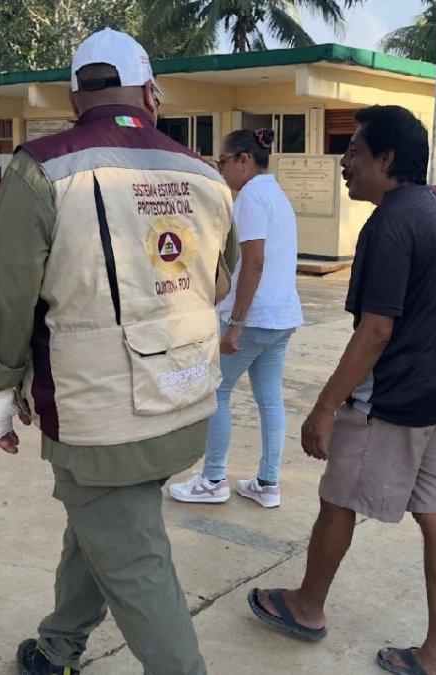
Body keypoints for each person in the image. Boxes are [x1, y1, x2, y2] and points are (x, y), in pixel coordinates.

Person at [0, 28, 237, 675]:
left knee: (138, 562)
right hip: (182, 395)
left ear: (71, 97)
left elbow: (10, 293)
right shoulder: (201, 171)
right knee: (100, 524)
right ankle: (59, 645)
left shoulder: (42, 166)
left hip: (98, 414)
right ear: (151, 93)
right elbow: (219, 279)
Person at [246, 106, 436, 675]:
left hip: (392, 402)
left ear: (387, 159)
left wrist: (324, 408)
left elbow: (375, 331)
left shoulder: (390, 223)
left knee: (337, 499)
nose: (345, 164)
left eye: (354, 151)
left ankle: (307, 606)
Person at [168, 128, 304, 508]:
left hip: (255, 316)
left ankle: (213, 479)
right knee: (270, 399)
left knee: (216, 392)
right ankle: (267, 483)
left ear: (245, 160)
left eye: (223, 161)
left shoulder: (251, 198)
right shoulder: (276, 195)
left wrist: (238, 322)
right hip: (282, 316)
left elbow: (254, 264)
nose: (221, 169)